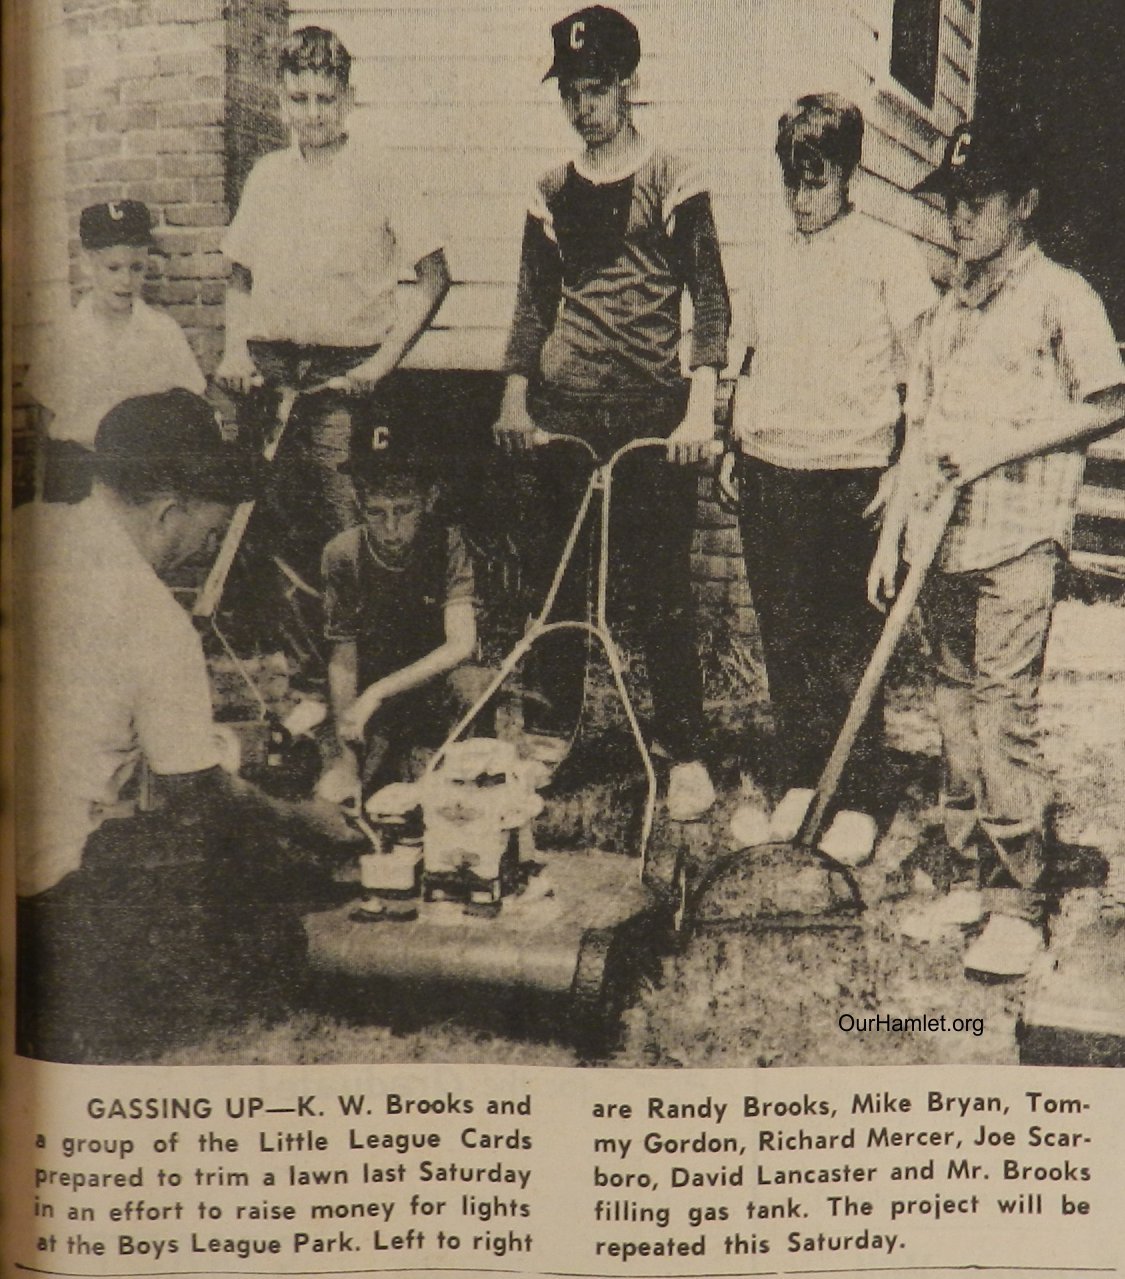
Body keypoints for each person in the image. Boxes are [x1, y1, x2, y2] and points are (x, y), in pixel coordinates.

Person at [13, 389, 361, 1063]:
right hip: (42, 899)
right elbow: (195, 794)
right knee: (257, 919)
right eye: (208, 532)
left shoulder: (28, 526)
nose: (205, 547)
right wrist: (300, 817)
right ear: (170, 511)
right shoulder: (152, 619)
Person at [869, 117, 1125, 978]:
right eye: (950, 204)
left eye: (976, 202)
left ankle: (1017, 900)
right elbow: (921, 424)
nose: (959, 219)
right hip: (945, 541)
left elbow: (1107, 401)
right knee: (949, 708)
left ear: (1023, 204)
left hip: (1019, 538)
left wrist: (999, 448)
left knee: (999, 713)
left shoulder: (1060, 294)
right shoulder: (949, 305)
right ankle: (970, 876)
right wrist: (896, 526)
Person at [492, 5, 730, 822]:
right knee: (556, 585)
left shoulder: (673, 177)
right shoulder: (550, 189)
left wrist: (699, 409)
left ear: (629, 86)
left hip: (650, 421)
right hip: (563, 413)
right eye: (570, 93)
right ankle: (552, 737)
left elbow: (712, 301)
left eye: (595, 90)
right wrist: (514, 397)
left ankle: (684, 751)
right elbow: (531, 305)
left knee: (659, 589)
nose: (582, 107)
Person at [727, 93, 937, 812]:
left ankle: (856, 796)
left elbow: (922, 374)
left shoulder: (888, 255)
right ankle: (798, 778)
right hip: (768, 468)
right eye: (791, 179)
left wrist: (900, 467)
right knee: (784, 637)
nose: (800, 196)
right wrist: (735, 435)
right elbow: (749, 354)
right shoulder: (770, 250)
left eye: (814, 180)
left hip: (851, 474)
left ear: (849, 174)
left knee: (846, 642)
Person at [217, 25, 451, 581]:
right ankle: (300, 667)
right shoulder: (267, 176)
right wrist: (235, 352)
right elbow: (239, 277)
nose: (313, 113)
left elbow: (434, 278)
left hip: (341, 381)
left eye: (326, 99)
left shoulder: (381, 171)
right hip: (269, 370)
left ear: (349, 99)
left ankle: (355, 658)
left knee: (343, 523)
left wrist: (379, 364)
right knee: (274, 518)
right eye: (299, 99)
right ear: (282, 99)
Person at [317, 439, 487, 803]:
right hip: (374, 677)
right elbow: (343, 657)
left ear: (429, 500)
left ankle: (461, 776)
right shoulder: (343, 553)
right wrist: (345, 759)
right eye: (377, 513)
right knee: (358, 784)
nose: (391, 528)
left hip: (431, 675)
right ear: (359, 505)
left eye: (404, 510)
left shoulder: (448, 543)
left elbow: (461, 644)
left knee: (473, 685)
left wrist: (376, 695)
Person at [25, 200, 207, 503]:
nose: (125, 280)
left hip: (140, 481)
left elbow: (190, 409)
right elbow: (44, 422)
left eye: (136, 268)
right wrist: (41, 499)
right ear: (87, 264)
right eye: (113, 268)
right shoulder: (66, 334)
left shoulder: (162, 332)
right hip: (75, 474)